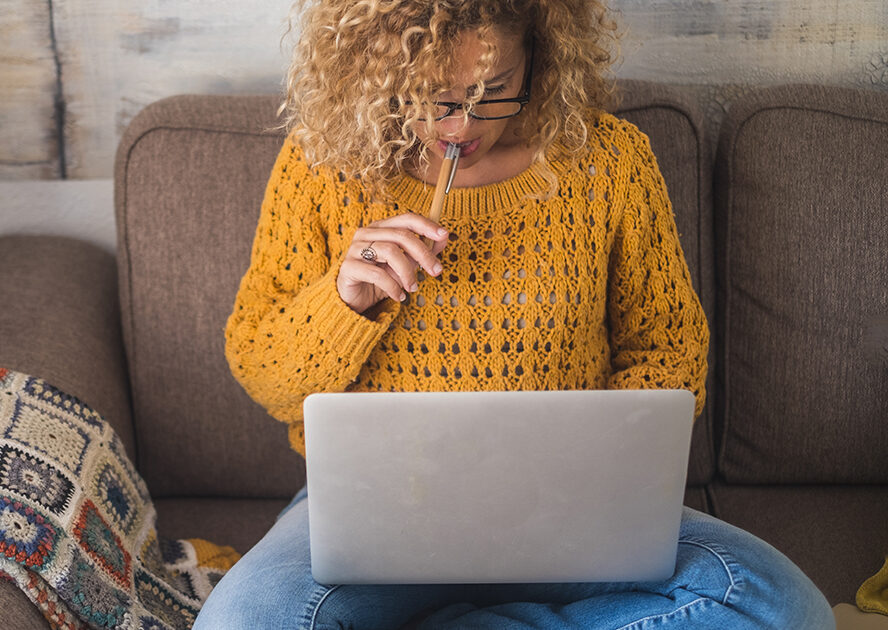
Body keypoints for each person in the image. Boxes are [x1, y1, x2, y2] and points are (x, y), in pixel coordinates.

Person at [195, 0, 835, 628]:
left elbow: (669, 350)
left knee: (784, 607)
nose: (459, 126)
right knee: (241, 621)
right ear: (377, 72)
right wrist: (343, 302)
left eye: (492, 89)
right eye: (429, 97)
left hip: (571, 509)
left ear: (539, 52)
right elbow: (265, 374)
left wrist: (594, 468)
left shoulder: (609, 162)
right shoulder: (324, 163)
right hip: (376, 516)